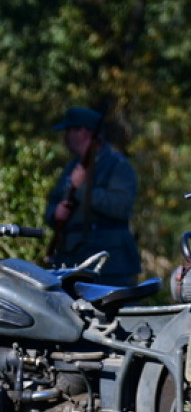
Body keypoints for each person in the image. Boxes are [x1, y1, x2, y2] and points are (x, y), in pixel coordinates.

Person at [44, 106, 142, 287]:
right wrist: (54, 213)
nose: (66, 137)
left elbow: (120, 207)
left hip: (110, 265)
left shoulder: (117, 166)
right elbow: (53, 204)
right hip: (72, 258)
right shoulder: (72, 167)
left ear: (82, 132)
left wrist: (82, 188)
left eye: (69, 131)